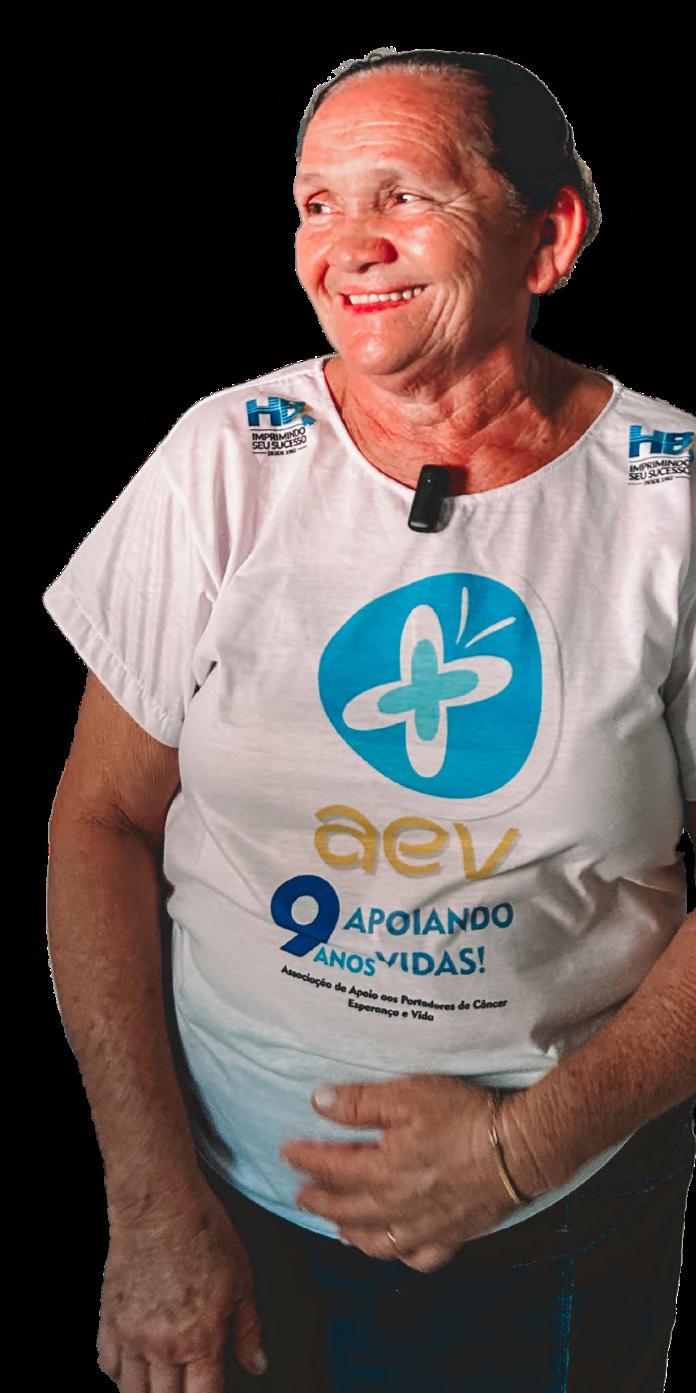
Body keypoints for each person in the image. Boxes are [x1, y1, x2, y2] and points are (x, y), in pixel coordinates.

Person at [43, 45, 695, 1393]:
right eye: (316, 204)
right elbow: (101, 820)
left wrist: (518, 1152)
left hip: (552, 1229)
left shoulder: (670, 502)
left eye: (404, 195)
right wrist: (152, 1197)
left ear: (550, 235)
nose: (347, 246)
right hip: (225, 1203)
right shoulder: (226, 460)